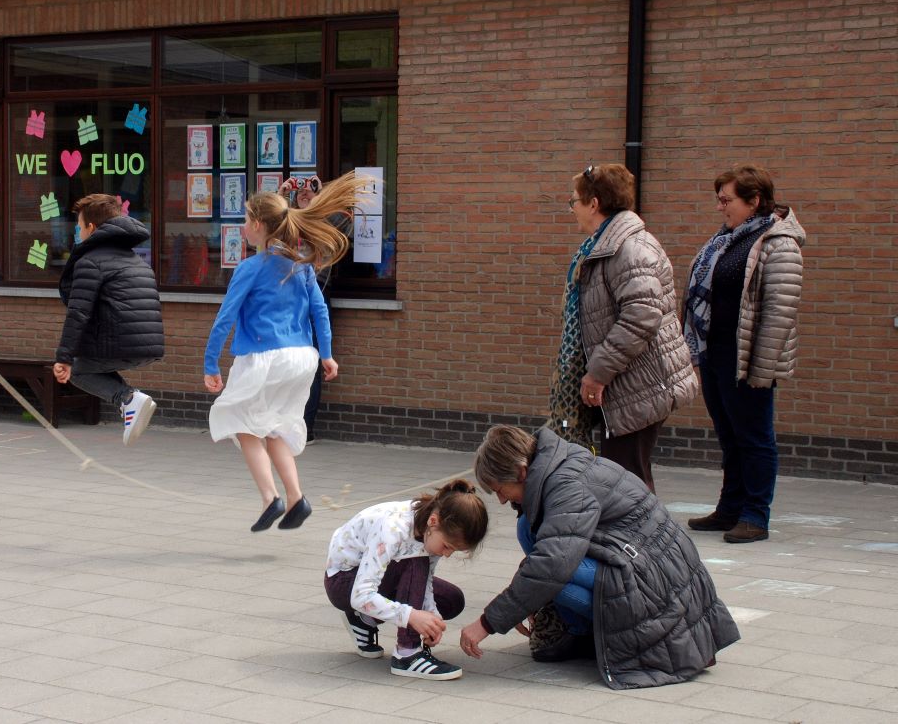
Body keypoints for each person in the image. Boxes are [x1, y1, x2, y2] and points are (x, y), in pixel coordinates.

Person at [459, 424, 739, 690]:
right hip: (652, 565)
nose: (502, 500)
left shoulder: (566, 486)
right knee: (529, 531)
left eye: (499, 490)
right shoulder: (559, 461)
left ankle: (587, 633)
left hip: (657, 587)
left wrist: (487, 623)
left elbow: (551, 567)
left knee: (554, 575)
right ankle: (580, 630)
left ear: (521, 472)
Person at [204, 174, 366, 532]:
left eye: (246, 220)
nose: (243, 227)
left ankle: (269, 498)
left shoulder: (250, 268)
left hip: (265, 357)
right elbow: (319, 310)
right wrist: (327, 354)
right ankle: (296, 498)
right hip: (301, 357)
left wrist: (210, 362)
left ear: (259, 225)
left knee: (241, 424)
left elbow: (225, 317)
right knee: (274, 427)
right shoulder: (301, 263)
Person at [546, 163, 698, 493]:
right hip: (628, 384)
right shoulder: (605, 246)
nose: (572, 209)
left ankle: (645, 544)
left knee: (627, 485)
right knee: (622, 478)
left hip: (637, 386)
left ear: (594, 203)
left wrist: (597, 373)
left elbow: (641, 318)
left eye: (574, 201)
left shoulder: (629, 249)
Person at [684, 165, 805, 544]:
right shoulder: (727, 239)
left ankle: (755, 515)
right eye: (719, 199)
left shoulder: (778, 242)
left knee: (754, 437)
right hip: (716, 352)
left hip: (748, 357)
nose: (721, 207)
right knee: (729, 435)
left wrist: (760, 367)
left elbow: (779, 310)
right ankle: (730, 508)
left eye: (727, 200)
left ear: (754, 201)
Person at [325, 479, 488, 681]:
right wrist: (412, 616)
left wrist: (431, 617)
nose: (446, 554)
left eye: (453, 550)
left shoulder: (430, 530)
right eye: (447, 546)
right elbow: (361, 595)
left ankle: (363, 620)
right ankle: (407, 654)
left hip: (382, 577)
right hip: (344, 583)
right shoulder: (393, 528)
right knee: (415, 561)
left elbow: (425, 580)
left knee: (451, 599)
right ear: (433, 521)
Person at [53, 194, 164, 444]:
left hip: (118, 341)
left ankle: (127, 398)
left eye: (79, 227)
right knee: (94, 363)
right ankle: (129, 401)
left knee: (78, 369)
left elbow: (78, 313)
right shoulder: (136, 259)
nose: (78, 233)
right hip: (147, 344)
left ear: (91, 228)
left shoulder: (90, 262)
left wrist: (64, 357)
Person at [279, 175, 331, 445]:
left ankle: (305, 428)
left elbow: (337, 235)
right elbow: (272, 229)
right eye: (300, 193)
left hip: (311, 304)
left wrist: (319, 198)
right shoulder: (291, 226)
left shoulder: (322, 226)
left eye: (309, 191)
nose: (304, 193)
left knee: (309, 366)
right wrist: (283, 195)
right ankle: (284, 425)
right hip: (286, 303)